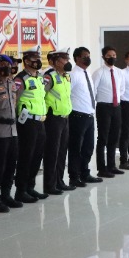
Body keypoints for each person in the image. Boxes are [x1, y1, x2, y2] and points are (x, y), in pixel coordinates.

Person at [0, 54, 23, 211]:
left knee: (11, 164)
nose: (5, 68)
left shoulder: (12, 84)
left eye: (7, 65)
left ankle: (6, 195)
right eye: (1, 65)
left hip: (12, 131)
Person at [15, 48, 51, 202]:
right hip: (27, 123)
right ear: (27, 61)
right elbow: (15, 100)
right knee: (26, 157)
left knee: (37, 156)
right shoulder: (20, 79)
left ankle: (30, 187)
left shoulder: (40, 78)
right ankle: (21, 190)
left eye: (39, 58)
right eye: (34, 59)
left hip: (40, 122)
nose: (38, 61)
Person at [42, 48, 74, 195]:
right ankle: (49, 185)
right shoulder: (49, 77)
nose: (67, 62)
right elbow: (41, 95)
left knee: (62, 151)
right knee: (52, 152)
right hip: (53, 118)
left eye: (67, 59)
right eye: (64, 59)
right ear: (55, 62)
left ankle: (59, 181)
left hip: (65, 117)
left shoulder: (67, 77)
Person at [68, 47, 100, 186]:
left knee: (88, 147)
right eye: (84, 56)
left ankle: (84, 173)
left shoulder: (87, 74)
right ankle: (74, 177)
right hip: (77, 115)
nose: (88, 58)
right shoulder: (73, 74)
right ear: (77, 58)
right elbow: (67, 94)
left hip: (89, 115)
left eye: (89, 55)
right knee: (76, 148)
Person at [93, 46, 125, 177]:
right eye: (109, 55)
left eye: (114, 55)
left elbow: (121, 89)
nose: (112, 58)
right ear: (103, 57)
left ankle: (112, 165)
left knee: (114, 136)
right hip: (103, 107)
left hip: (116, 107)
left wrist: (115, 99)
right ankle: (102, 168)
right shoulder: (99, 72)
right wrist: (102, 100)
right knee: (103, 138)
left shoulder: (119, 72)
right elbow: (93, 90)